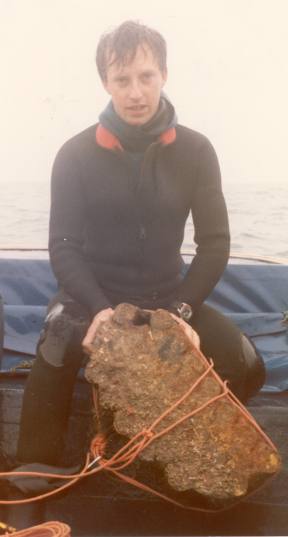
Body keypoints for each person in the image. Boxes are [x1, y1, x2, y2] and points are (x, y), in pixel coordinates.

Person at [17, 20, 265, 468]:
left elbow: (214, 243)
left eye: (146, 77)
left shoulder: (197, 151)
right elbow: (64, 246)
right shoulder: (73, 155)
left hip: (168, 300)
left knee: (248, 365)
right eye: (122, 79)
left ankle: (159, 443)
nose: (135, 92)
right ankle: (35, 483)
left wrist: (181, 313)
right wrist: (98, 310)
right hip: (92, 300)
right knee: (54, 346)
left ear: (164, 74)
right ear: (105, 82)